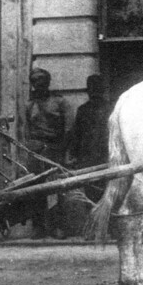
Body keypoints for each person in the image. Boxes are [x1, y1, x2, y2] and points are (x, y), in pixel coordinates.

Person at [25, 68, 68, 238]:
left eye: (42, 81)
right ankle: (38, 227)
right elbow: (26, 129)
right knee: (35, 188)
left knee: (57, 188)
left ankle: (58, 226)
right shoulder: (29, 105)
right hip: (35, 150)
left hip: (55, 148)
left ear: (48, 82)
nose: (39, 85)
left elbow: (68, 128)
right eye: (35, 82)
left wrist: (63, 149)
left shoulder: (59, 102)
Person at [67, 74, 112, 201]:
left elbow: (76, 135)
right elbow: (76, 134)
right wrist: (74, 155)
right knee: (97, 191)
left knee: (98, 191)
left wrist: (74, 154)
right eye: (93, 89)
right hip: (93, 157)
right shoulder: (84, 110)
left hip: (101, 157)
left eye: (96, 89)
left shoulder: (109, 109)